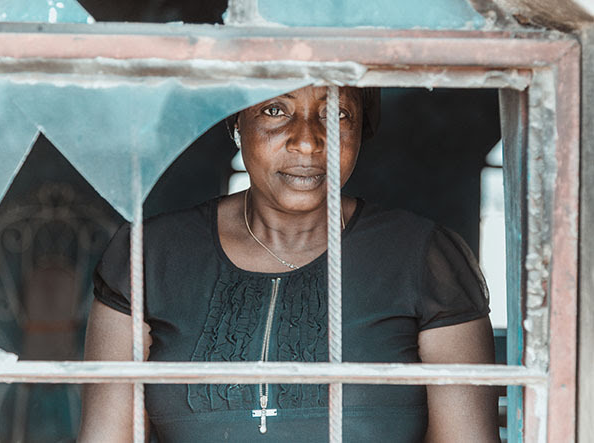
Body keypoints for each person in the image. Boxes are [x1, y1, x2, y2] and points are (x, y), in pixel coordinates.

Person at [78, 86, 499, 442]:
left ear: (359, 130)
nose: (307, 141)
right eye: (275, 110)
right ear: (236, 123)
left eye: (335, 114)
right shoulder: (149, 255)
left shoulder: (425, 257)